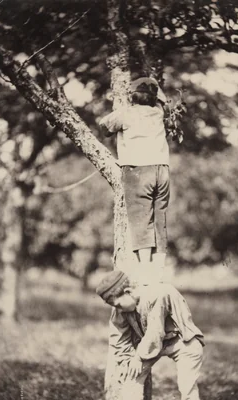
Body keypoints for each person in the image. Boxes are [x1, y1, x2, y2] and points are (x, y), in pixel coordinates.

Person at [96, 269, 209, 400]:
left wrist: (138, 357)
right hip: (151, 345)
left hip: (183, 341)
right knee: (131, 377)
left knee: (187, 387)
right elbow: (119, 339)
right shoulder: (120, 309)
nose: (117, 309)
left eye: (117, 304)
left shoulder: (158, 294)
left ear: (128, 293)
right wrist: (126, 361)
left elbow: (155, 332)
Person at [99, 77, 170, 284]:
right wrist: (155, 80)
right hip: (162, 169)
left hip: (139, 170)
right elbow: (162, 100)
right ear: (154, 98)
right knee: (160, 219)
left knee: (141, 220)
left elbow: (104, 127)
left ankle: (146, 272)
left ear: (133, 97)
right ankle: (159, 270)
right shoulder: (158, 112)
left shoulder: (126, 113)